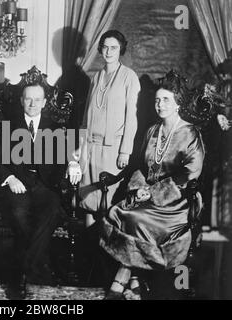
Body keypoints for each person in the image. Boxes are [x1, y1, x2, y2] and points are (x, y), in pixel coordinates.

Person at [98, 70, 205, 299]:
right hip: (147, 196)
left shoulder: (190, 134)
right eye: (157, 100)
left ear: (178, 103)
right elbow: (140, 165)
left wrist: (154, 192)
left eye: (166, 99)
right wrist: (139, 189)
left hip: (177, 202)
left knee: (136, 218)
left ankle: (124, 276)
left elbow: (191, 173)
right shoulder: (152, 130)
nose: (160, 104)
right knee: (119, 212)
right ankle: (135, 278)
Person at [0, 82, 65, 299]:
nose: (32, 104)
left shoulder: (55, 128)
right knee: (18, 212)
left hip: (44, 184)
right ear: (22, 100)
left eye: (37, 99)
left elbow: (61, 161)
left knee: (52, 209)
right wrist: (9, 177)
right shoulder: (7, 125)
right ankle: (38, 269)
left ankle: (23, 271)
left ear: (44, 102)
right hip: (18, 184)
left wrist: (71, 162)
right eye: (28, 99)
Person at [68, 30, 141, 227]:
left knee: (107, 203)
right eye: (105, 47)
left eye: (114, 47)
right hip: (90, 148)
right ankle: (88, 249)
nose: (108, 51)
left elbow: (131, 118)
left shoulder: (129, 77)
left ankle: (104, 251)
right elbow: (85, 119)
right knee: (88, 201)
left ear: (121, 50)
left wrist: (125, 151)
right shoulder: (95, 77)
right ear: (100, 49)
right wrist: (80, 148)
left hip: (113, 150)